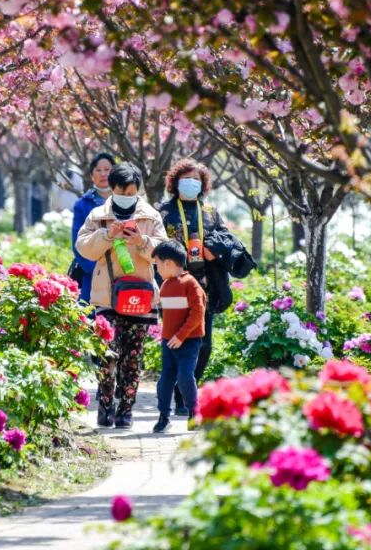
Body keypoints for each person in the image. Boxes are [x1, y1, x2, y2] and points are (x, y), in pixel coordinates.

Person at [157, 159, 255, 415]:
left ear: (203, 185)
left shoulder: (211, 212)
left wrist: (214, 253)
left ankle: (184, 390)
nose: (191, 183)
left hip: (205, 287)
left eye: (196, 179)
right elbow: (156, 247)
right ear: (175, 181)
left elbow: (226, 239)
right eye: (186, 178)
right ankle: (180, 398)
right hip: (174, 285)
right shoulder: (164, 212)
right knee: (175, 339)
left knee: (203, 344)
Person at [76, 162, 167, 429]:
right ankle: (105, 407)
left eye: (131, 191)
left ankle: (126, 410)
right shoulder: (97, 215)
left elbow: (163, 253)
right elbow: (84, 248)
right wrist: (107, 234)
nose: (126, 195)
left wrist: (141, 241)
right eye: (121, 190)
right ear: (112, 189)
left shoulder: (150, 217)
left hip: (139, 293)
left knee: (132, 357)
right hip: (106, 295)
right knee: (107, 355)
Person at [151, 240, 206, 433]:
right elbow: (166, 312)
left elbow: (197, 313)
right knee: (165, 380)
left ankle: (194, 412)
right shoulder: (166, 285)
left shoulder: (190, 283)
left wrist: (181, 336)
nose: (156, 269)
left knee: (184, 376)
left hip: (189, 341)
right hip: (169, 342)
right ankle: (164, 416)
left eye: (157, 264)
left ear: (168, 263)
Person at [70, 152, 116, 305]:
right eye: (98, 170)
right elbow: (78, 243)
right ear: (91, 175)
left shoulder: (125, 201)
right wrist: (96, 269)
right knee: (91, 318)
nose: (103, 174)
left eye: (107, 169)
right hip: (93, 272)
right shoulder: (82, 205)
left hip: (122, 270)